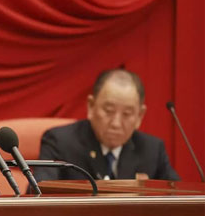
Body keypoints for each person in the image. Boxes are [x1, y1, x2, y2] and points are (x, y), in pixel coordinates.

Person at [34, 69, 180, 182]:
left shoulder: (152, 150)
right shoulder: (59, 142)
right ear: (91, 106)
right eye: (108, 111)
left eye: (127, 114)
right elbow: (38, 193)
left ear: (140, 116)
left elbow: (178, 198)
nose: (116, 123)